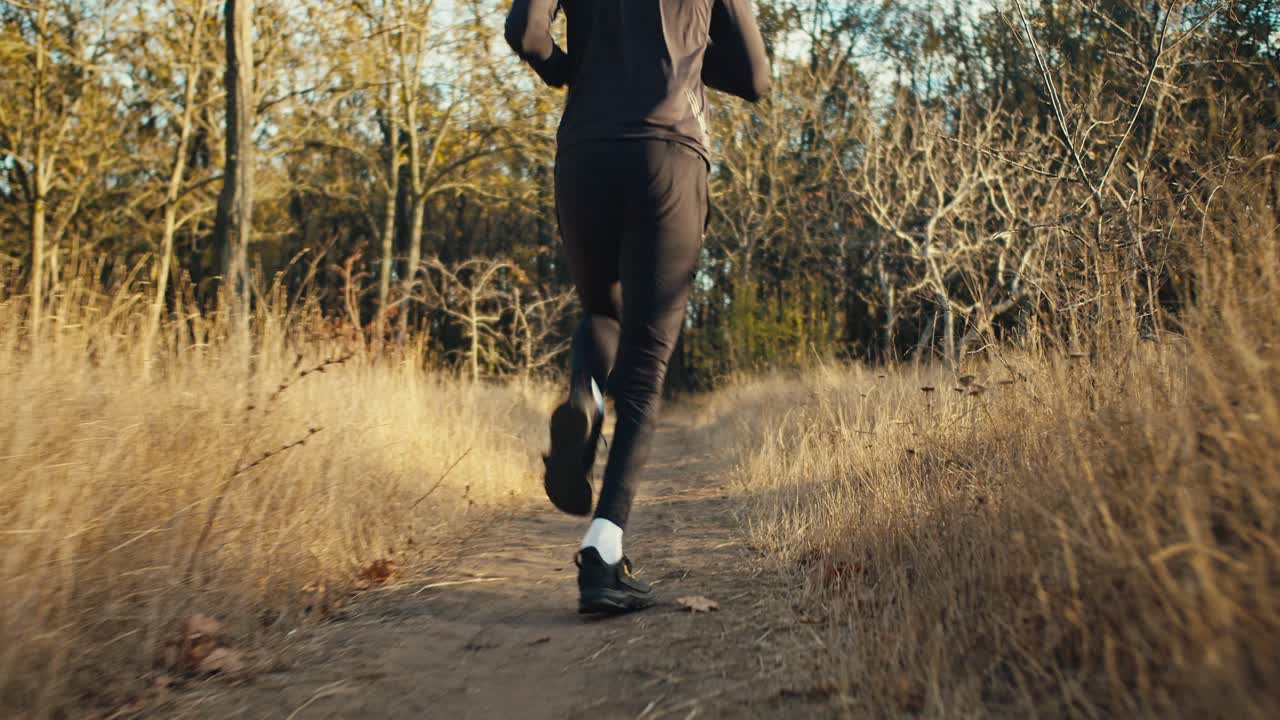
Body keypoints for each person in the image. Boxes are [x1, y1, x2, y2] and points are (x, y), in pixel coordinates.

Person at [504, 0, 770, 614]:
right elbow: (756, 78)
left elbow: (525, 32)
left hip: (585, 153)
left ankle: (584, 397)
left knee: (602, 312)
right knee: (646, 366)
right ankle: (602, 554)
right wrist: (689, 60)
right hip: (669, 153)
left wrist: (570, 71)